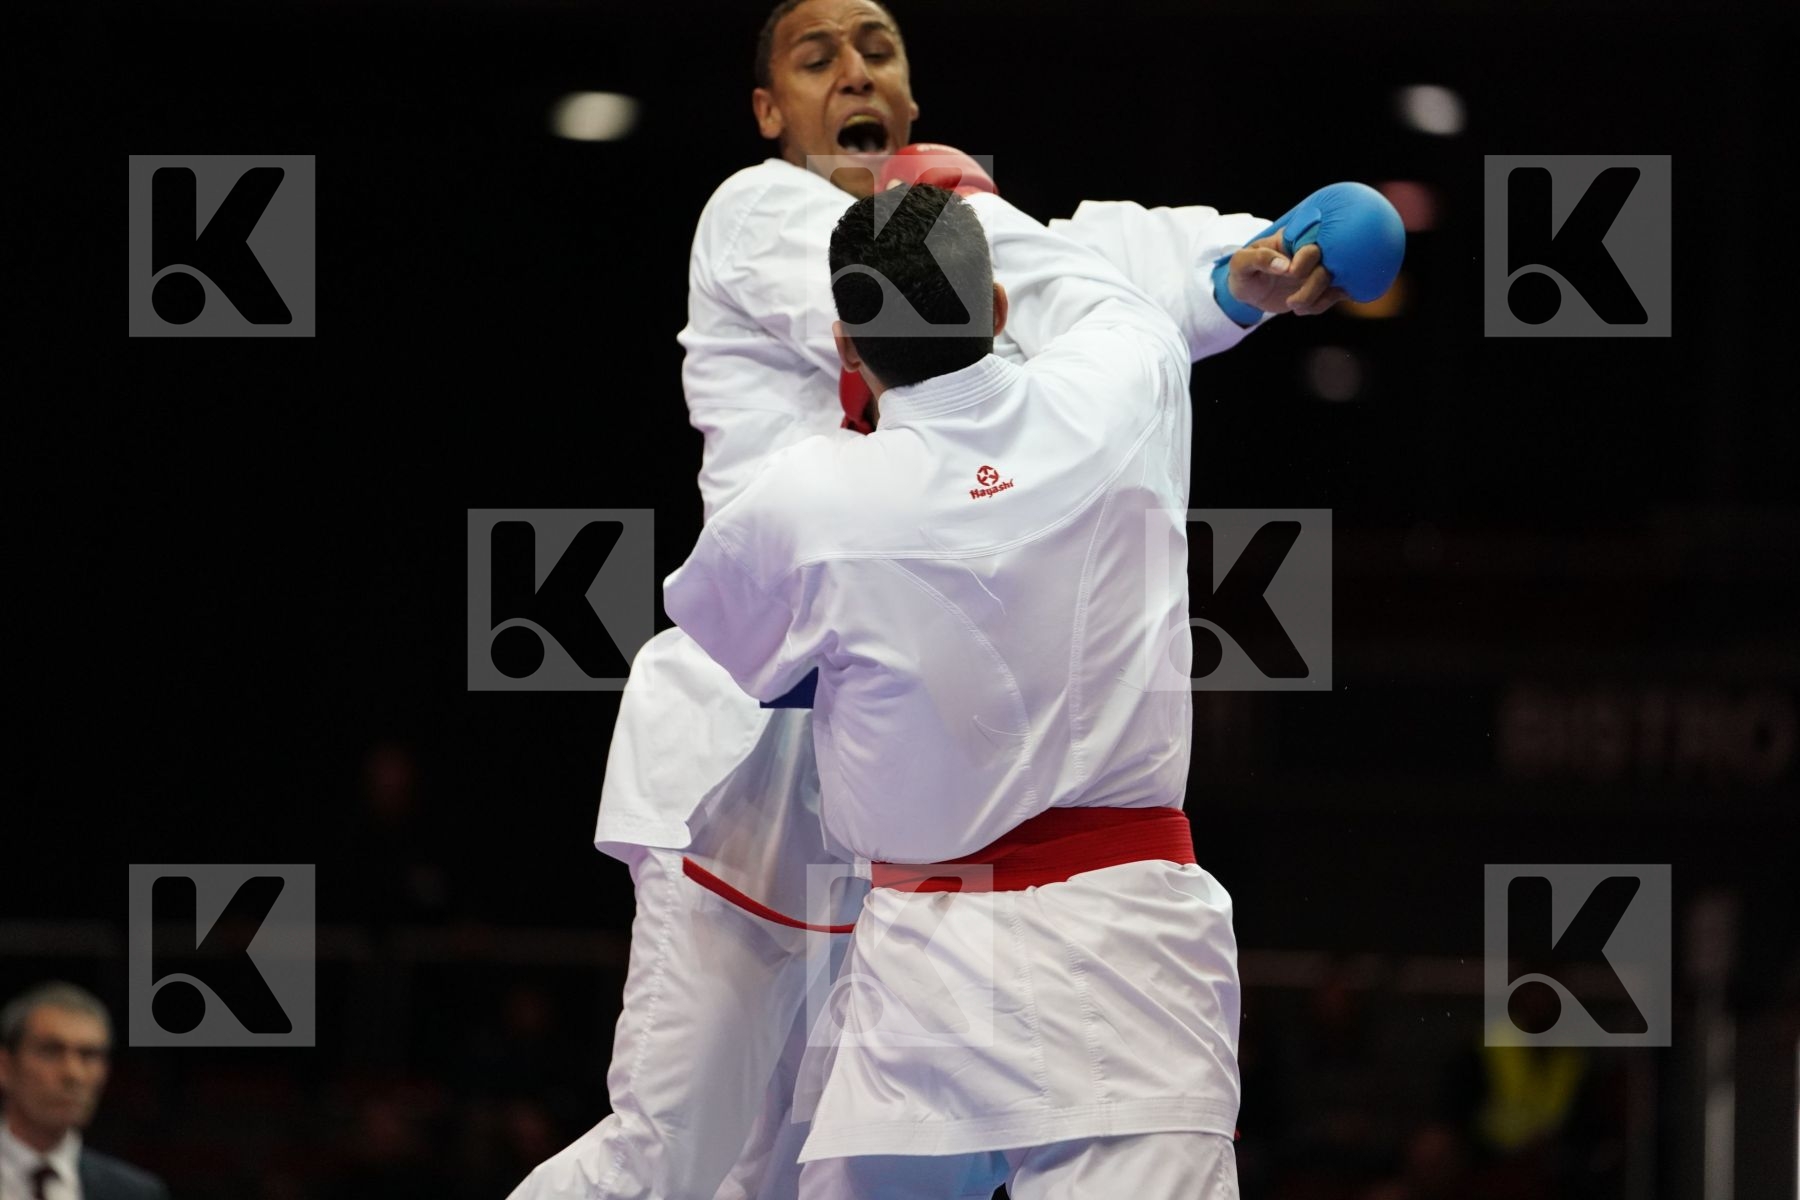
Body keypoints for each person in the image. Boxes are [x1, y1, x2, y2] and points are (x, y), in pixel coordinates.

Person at [508, 0, 1352, 1194]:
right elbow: (937, 299)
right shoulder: (761, 213)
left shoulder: (968, 228)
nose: (852, 68)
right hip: (755, 762)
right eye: (816, 58)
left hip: (908, 794)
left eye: (877, 52)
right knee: (669, 1155)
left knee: (785, 1166)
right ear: (769, 111)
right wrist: (1189, 279)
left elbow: (1047, 277)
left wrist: (1243, 269)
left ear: (909, 99)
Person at [0, 983, 168, 1200]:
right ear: (5, 1066)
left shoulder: (136, 1193)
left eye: (89, 1055)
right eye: (50, 1051)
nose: (73, 1074)